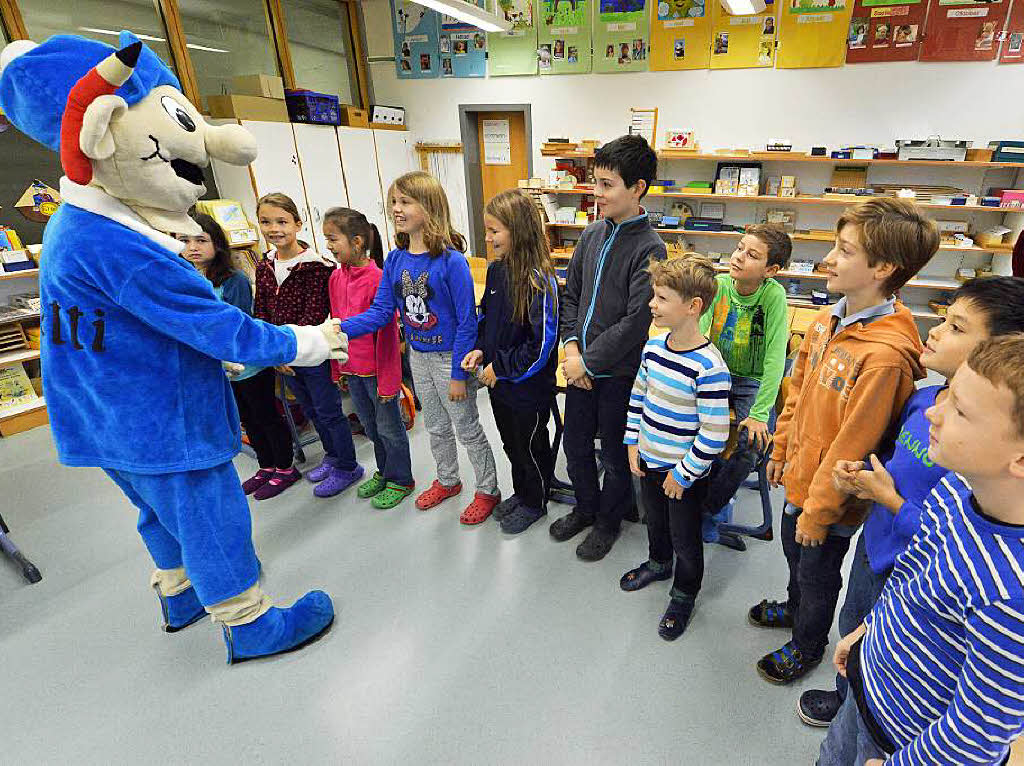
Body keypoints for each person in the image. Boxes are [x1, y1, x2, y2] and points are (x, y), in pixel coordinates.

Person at [798, 276, 1024, 733]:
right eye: (944, 320)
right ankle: (850, 697)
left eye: (957, 328)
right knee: (855, 620)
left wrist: (891, 499)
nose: (936, 331)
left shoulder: (977, 450)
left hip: (916, 567)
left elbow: (955, 533)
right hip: (877, 546)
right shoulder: (926, 401)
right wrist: (864, 477)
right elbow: (894, 457)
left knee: (897, 645)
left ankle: (861, 709)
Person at [749, 198, 938, 684]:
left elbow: (853, 445)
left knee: (816, 573)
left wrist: (818, 510)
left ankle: (807, 643)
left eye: (844, 250)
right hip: (799, 479)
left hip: (830, 502)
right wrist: (783, 450)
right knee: (795, 557)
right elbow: (796, 391)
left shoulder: (885, 357)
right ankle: (794, 609)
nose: (828, 259)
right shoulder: (826, 319)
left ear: (882, 268)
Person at [340, 171, 500, 524]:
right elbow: (382, 312)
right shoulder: (396, 260)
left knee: (467, 428)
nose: (396, 209)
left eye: (405, 202)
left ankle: (488, 489)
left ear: (429, 208)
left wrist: (459, 373)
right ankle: (448, 480)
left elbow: (466, 323)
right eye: (394, 201)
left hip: (449, 360)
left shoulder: (451, 261)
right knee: (437, 427)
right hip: (419, 357)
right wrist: (338, 329)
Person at [552, 133, 667, 561]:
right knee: (576, 445)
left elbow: (635, 323)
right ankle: (586, 508)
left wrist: (586, 361)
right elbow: (570, 296)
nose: (596, 194)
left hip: (618, 375)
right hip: (578, 364)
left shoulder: (650, 247)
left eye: (606, 185)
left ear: (637, 188)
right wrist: (570, 349)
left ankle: (608, 522)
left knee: (616, 457)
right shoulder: (591, 235)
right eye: (594, 183)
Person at [620, 256, 730, 639]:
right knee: (655, 520)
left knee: (686, 538)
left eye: (662, 298)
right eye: (654, 295)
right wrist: (632, 442)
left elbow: (714, 433)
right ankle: (657, 561)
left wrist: (683, 475)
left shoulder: (709, 367)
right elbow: (638, 396)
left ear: (693, 307)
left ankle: (684, 594)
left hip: (683, 473)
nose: (653, 304)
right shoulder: (653, 348)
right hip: (649, 460)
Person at [461, 190, 559, 534]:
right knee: (511, 444)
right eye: (486, 231)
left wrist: (500, 368)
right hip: (499, 383)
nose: (487, 239)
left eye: (494, 231)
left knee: (529, 445)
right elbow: (487, 320)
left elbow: (543, 345)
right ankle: (523, 492)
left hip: (527, 388)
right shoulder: (497, 270)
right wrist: (480, 350)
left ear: (518, 230)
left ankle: (536, 501)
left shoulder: (538, 280)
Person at [253, 193, 363, 499]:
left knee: (329, 411)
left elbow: (313, 315)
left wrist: (289, 350)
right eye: (265, 222)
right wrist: (274, 352)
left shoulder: (317, 266)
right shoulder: (265, 266)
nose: (274, 228)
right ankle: (332, 456)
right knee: (311, 410)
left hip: (312, 355)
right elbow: (260, 310)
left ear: (298, 224)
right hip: (283, 357)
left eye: (282, 221)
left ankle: (348, 465)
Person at [180, 212, 296, 497]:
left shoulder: (233, 280)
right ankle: (266, 465)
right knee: (247, 418)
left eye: (201, 240)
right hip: (218, 366)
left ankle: (285, 467)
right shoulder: (185, 279)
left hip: (248, 364)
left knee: (266, 414)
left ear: (217, 245)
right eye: (185, 240)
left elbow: (241, 325)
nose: (192, 247)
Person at [698, 225, 791, 522]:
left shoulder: (774, 296)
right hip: (716, 373)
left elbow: (776, 359)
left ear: (771, 270)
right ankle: (705, 498)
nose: (738, 257)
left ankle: (708, 508)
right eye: (739, 248)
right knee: (690, 428)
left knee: (754, 447)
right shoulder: (719, 285)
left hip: (753, 380)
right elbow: (700, 337)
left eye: (751, 255)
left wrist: (761, 413)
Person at [325, 207, 415, 510]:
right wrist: (338, 369)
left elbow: (388, 335)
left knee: (390, 429)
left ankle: (401, 479)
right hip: (352, 369)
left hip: (378, 372)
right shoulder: (335, 278)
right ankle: (385, 471)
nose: (329, 245)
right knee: (371, 428)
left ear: (358, 241)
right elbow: (335, 326)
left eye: (333, 238)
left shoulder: (379, 278)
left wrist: (390, 380)